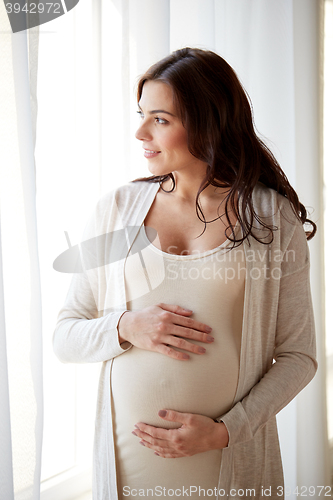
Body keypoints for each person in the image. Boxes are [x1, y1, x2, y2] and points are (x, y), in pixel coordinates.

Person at [53, 48, 318, 500]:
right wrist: (125, 326)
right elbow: (66, 336)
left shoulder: (271, 220)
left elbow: (298, 357)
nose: (140, 133)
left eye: (160, 119)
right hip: (128, 470)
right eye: (141, 115)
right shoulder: (115, 211)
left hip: (228, 465)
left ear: (207, 123)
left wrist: (224, 432)